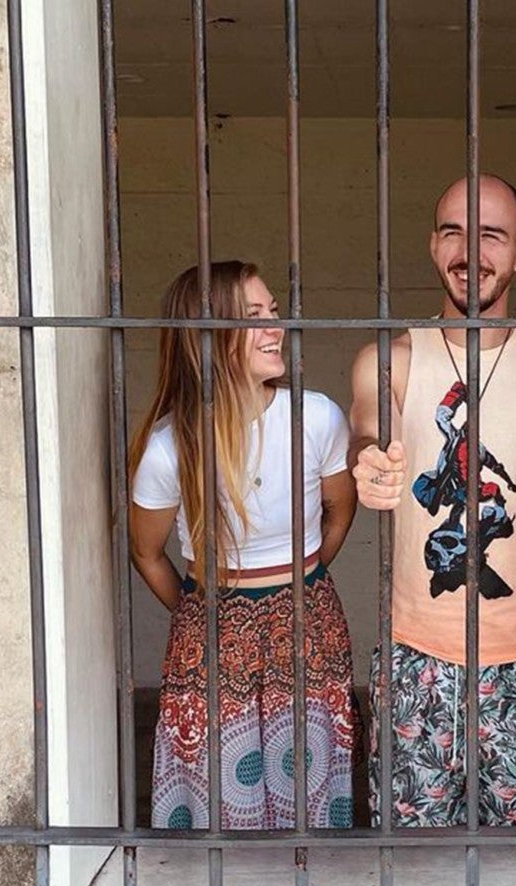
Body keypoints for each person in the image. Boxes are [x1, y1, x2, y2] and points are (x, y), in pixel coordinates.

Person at [348, 175, 516, 827]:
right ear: (434, 246)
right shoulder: (393, 357)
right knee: (408, 862)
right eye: (454, 232)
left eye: (490, 233)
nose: (470, 250)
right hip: (415, 658)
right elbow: (369, 427)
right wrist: (371, 462)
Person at [130, 260, 358, 830]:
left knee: (307, 792)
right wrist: (206, 610)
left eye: (274, 313)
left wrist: (295, 587)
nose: (274, 327)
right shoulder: (170, 448)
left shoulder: (316, 418)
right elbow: (147, 553)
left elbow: (340, 510)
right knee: (218, 802)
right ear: (207, 334)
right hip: (210, 635)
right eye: (253, 316)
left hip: (308, 624)